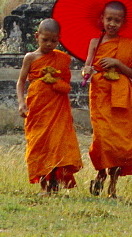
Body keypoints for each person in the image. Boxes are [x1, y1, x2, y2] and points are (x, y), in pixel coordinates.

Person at [80, 1, 132, 198]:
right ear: (102, 19)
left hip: (121, 99)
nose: (112, 24)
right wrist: (86, 70)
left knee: (119, 143)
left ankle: (113, 187)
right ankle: (100, 174)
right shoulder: (94, 42)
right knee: (102, 140)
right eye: (109, 19)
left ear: (123, 22)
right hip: (100, 96)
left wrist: (117, 63)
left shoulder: (129, 45)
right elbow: (86, 67)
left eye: (117, 20)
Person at [15, 18, 83, 195]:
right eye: (45, 39)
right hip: (37, 109)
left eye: (53, 41)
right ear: (37, 36)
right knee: (40, 145)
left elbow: (67, 86)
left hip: (57, 108)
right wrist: (21, 103)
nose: (49, 44)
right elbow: (21, 82)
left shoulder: (62, 59)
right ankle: (44, 186)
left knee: (56, 145)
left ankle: (54, 183)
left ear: (59, 39)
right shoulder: (30, 57)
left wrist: (55, 82)